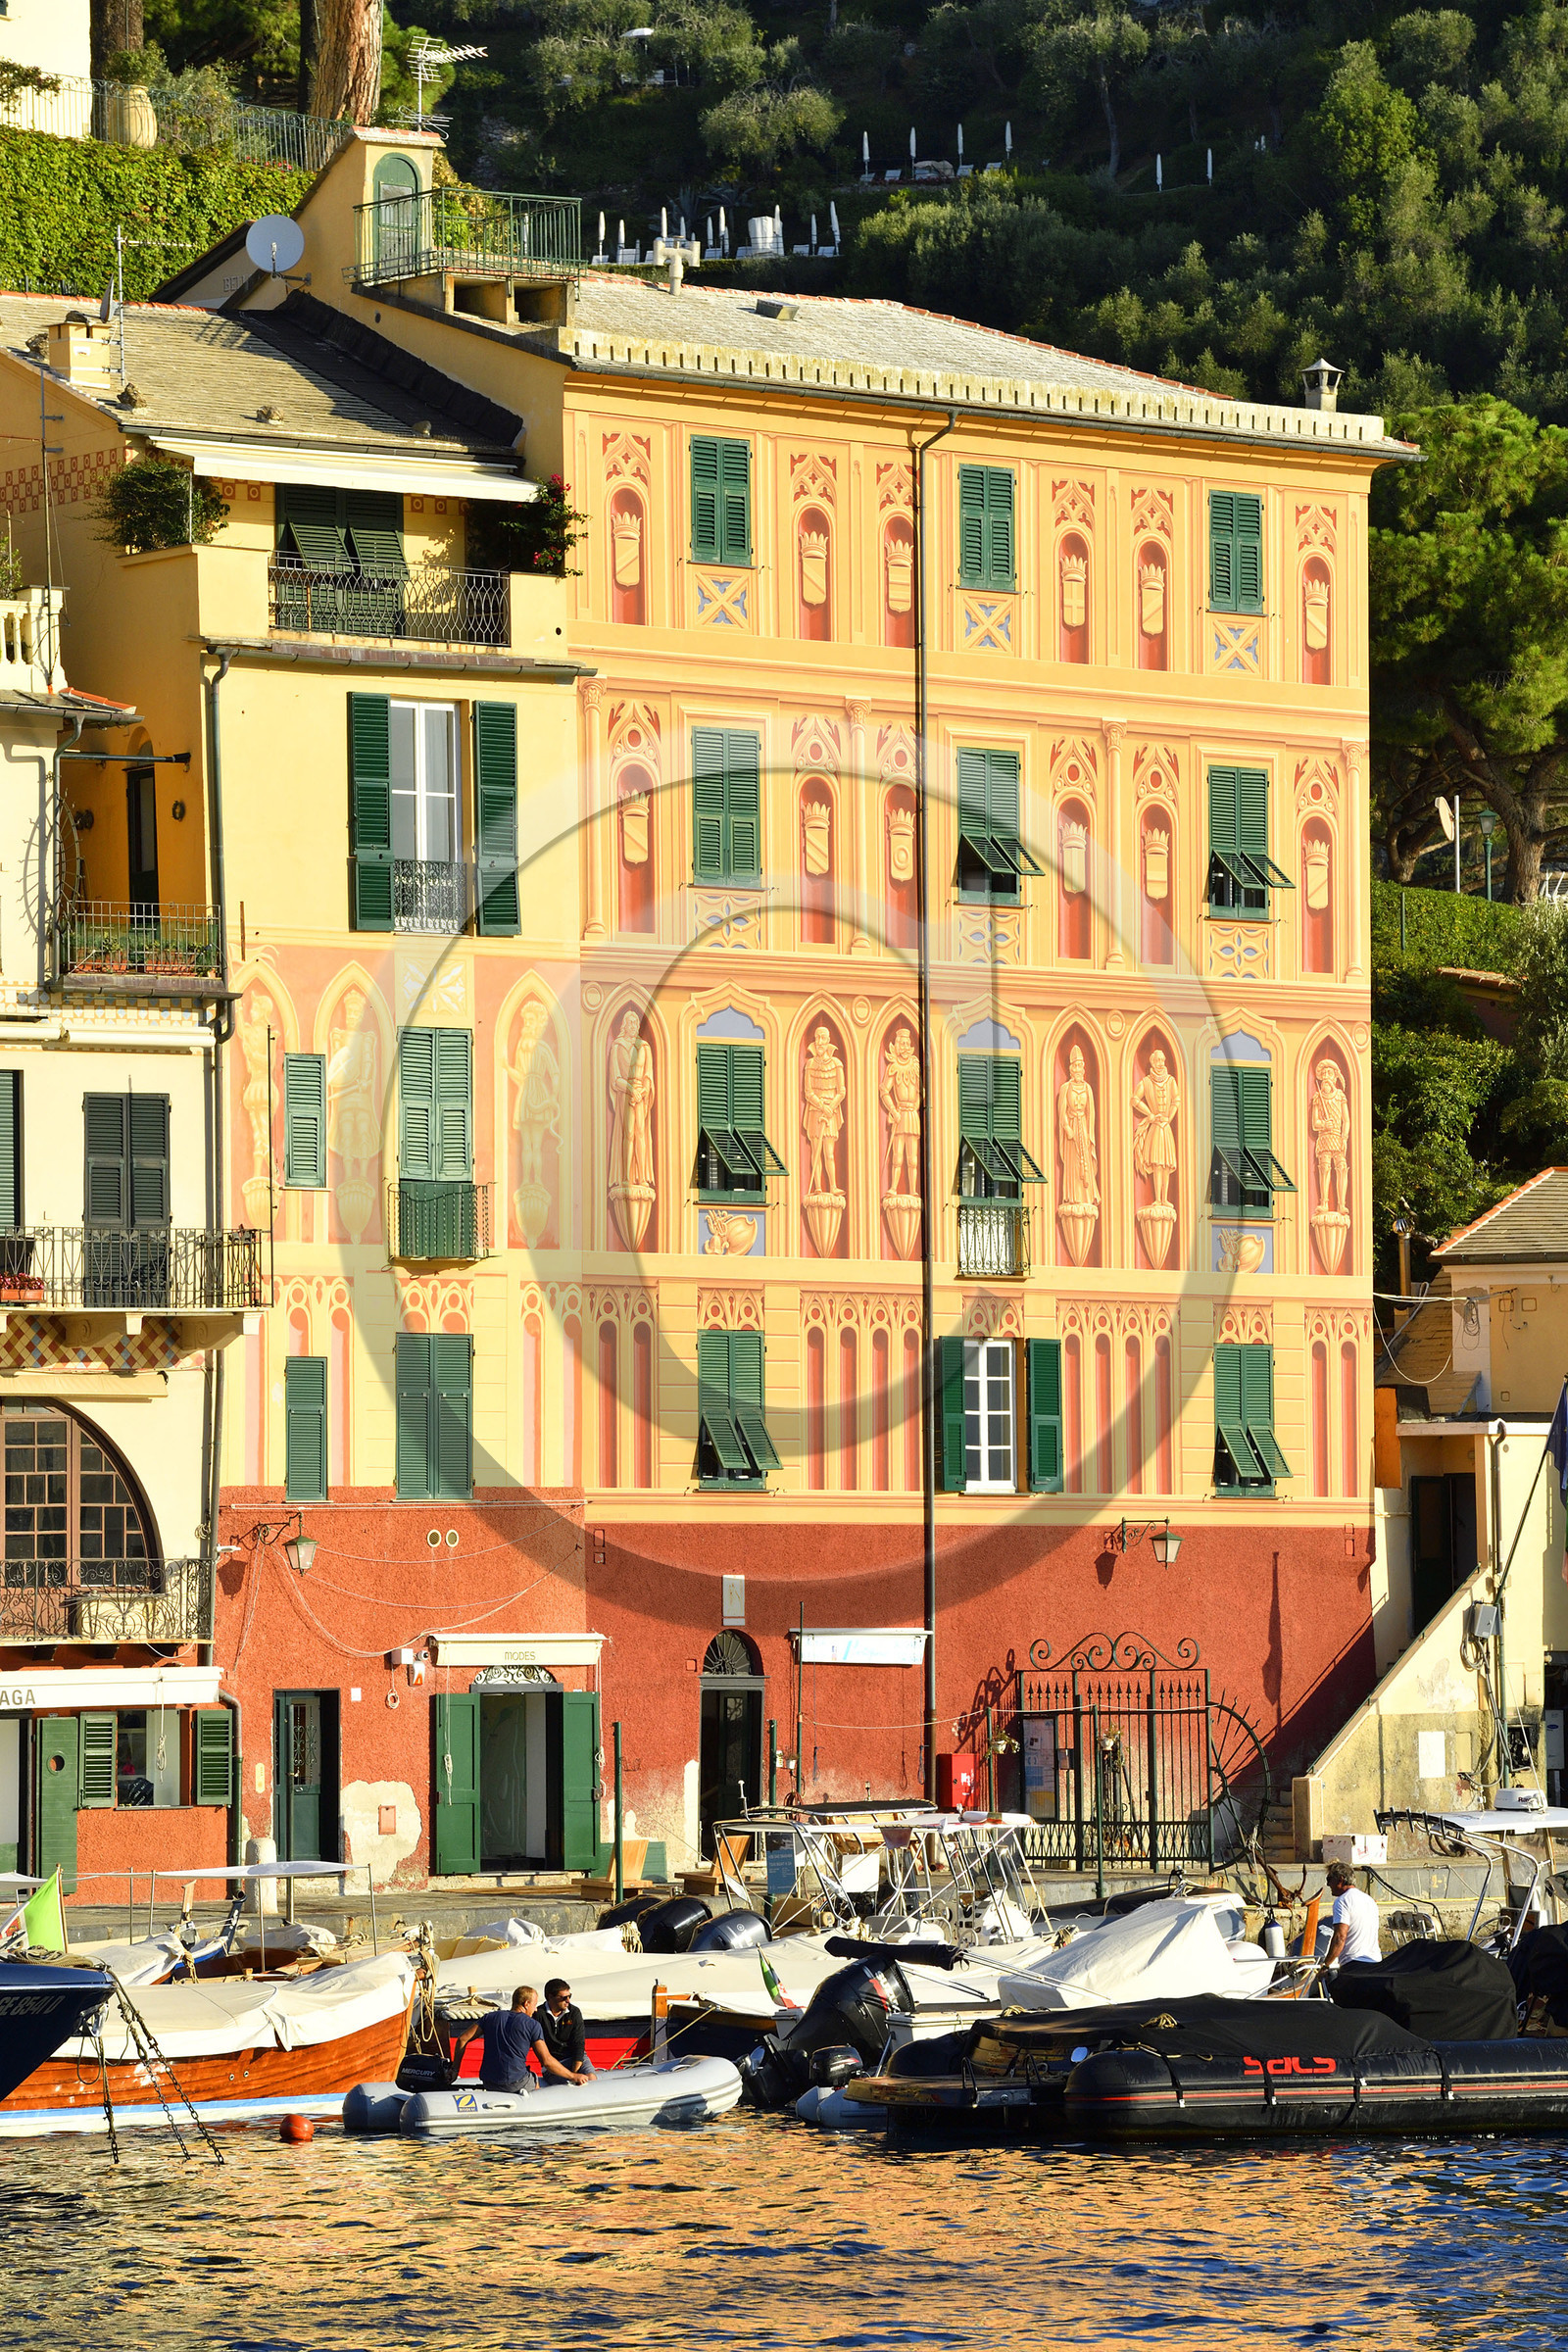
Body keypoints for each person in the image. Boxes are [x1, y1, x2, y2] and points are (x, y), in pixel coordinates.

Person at [464, 1985, 588, 2091]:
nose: (535, 2010)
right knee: (534, 2080)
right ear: (526, 2003)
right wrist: (573, 2076)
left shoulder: (490, 2017)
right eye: (534, 2005)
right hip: (515, 2082)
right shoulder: (532, 2024)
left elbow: (462, 2039)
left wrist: (455, 2069)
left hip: (489, 2082)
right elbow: (547, 2061)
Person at [1323, 1863, 1382, 1968]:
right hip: (1375, 1963)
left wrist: (1326, 1965)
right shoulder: (1370, 1901)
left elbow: (1340, 1937)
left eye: (1329, 1879)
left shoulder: (1342, 1901)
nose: (1328, 1884)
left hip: (1354, 1964)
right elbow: (1375, 1938)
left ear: (1340, 1880)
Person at [538, 1978, 594, 2078]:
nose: (568, 2001)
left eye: (569, 1996)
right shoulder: (538, 2015)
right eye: (564, 1997)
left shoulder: (574, 2012)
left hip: (574, 2058)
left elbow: (579, 2043)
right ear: (550, 1997)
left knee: (590, 2078)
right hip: (553, 2063)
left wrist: (575, 2073)